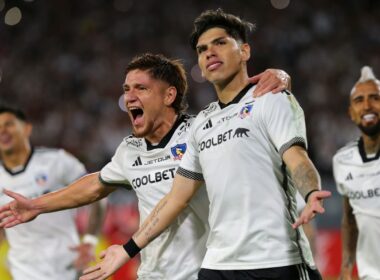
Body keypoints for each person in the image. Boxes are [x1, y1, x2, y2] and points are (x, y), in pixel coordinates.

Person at [76, 9, 332, 280]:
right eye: (202, 49)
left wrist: (311, 192)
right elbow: (175, 199)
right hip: (217, 265)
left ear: (244, 51)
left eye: (220, 43)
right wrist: (128, 250)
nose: (209, 52)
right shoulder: (201, 125)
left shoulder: (271, 100)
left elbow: (297, 158)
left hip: (275, 258)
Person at [0, 54, 291, 280]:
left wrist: (280, 76)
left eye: (141, 88)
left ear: (169, 96)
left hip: (203, 272)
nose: (129, 97)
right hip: (152, 273)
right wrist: (37, 206)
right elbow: (96, 185)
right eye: (127, 89)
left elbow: (243, 111)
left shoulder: (202, 131)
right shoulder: (130, 149)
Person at [0, 105, 103, 280]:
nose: (2, 131)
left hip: (68, 266)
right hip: (24, 271)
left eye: (9, 124)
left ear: (27, 128)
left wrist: (90, 241)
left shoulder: (57, 161)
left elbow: (98, 192)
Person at [332, 66, 380, 280]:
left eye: (375, 98)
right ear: (351, 113)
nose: (367, 105)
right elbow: (349, 219)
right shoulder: (342, 161)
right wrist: (346, 266)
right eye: (359, 100)